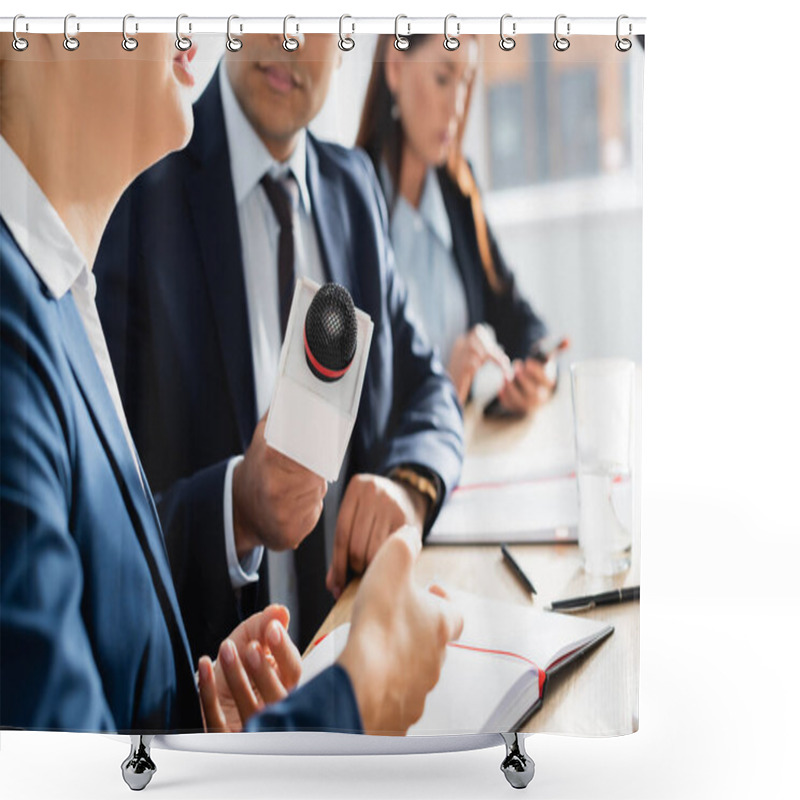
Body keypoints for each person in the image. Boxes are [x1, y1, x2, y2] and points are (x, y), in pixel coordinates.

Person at [0, 32, 461, 736]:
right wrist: (356, 703)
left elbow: (102, 603)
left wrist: (189, 712)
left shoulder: (60, 284)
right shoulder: (112, 211)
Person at [356, 35, 562, 413]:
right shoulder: (347, 198)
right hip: (401, 465)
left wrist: (541, 372)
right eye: (442, 78)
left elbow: (518, 317)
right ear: (396, 67)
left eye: (466, 81)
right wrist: (442, 389)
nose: (457, 105)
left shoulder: (459, 188)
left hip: (471, 454)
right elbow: (355, 403)